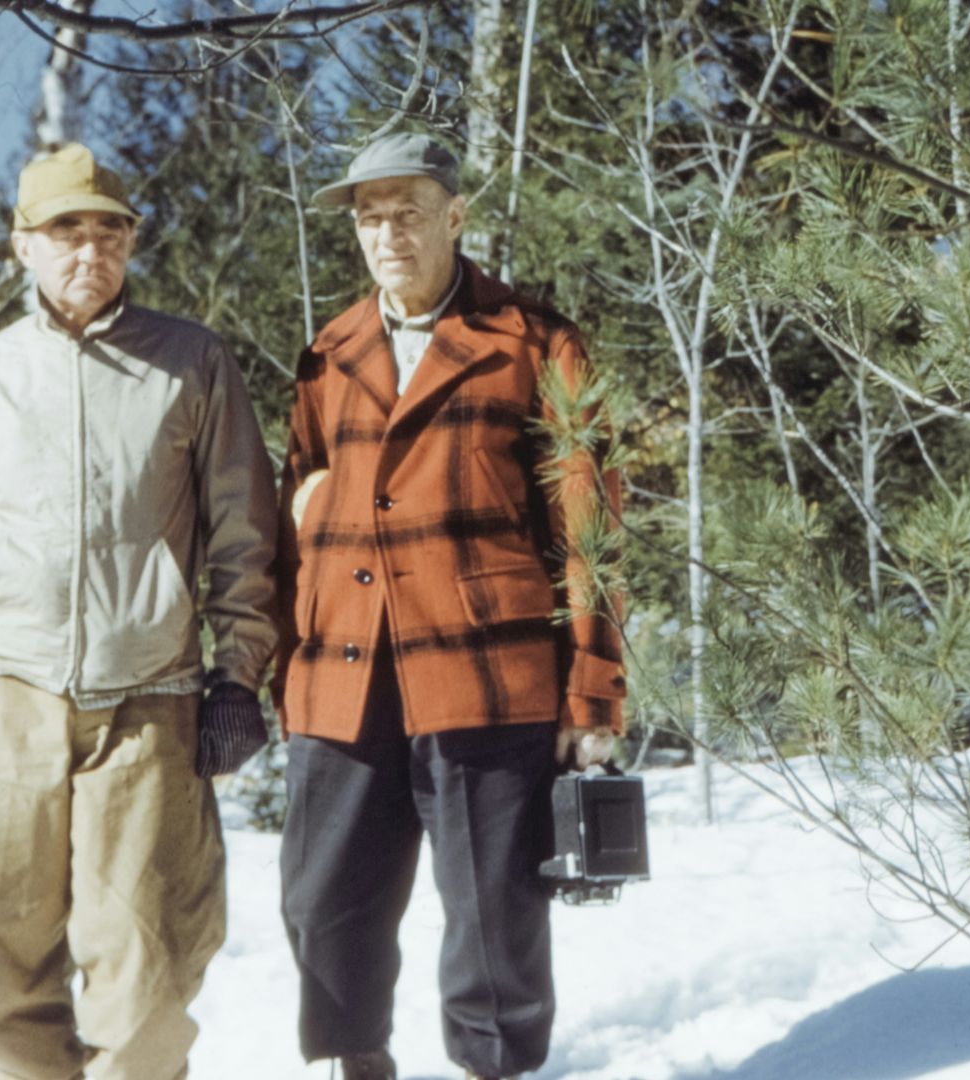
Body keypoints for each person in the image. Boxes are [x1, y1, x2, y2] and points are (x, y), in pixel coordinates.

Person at [0, 142, 278, 1080]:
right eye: (67, 231)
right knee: (15, 975)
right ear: (22, 245)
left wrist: (238, 677)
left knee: (146, 969)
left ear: (133, 242)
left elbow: (244, 533)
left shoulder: (191, 364)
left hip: (149, 700)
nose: (90, 251)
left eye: (110, 231)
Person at [272, 131, 626, 1080]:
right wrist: (282, 665)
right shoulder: (328, 353)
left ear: (456, 216)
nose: (388, 234)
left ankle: (492, 1071)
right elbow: (295, 503)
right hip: (344, 673)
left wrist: (592, 696)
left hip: (485, 675)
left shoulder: (536, 341)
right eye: (370, 217)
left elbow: (588, 529)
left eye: (409, 213)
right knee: (322, 902)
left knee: (493, 919)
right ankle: (359, 1066)